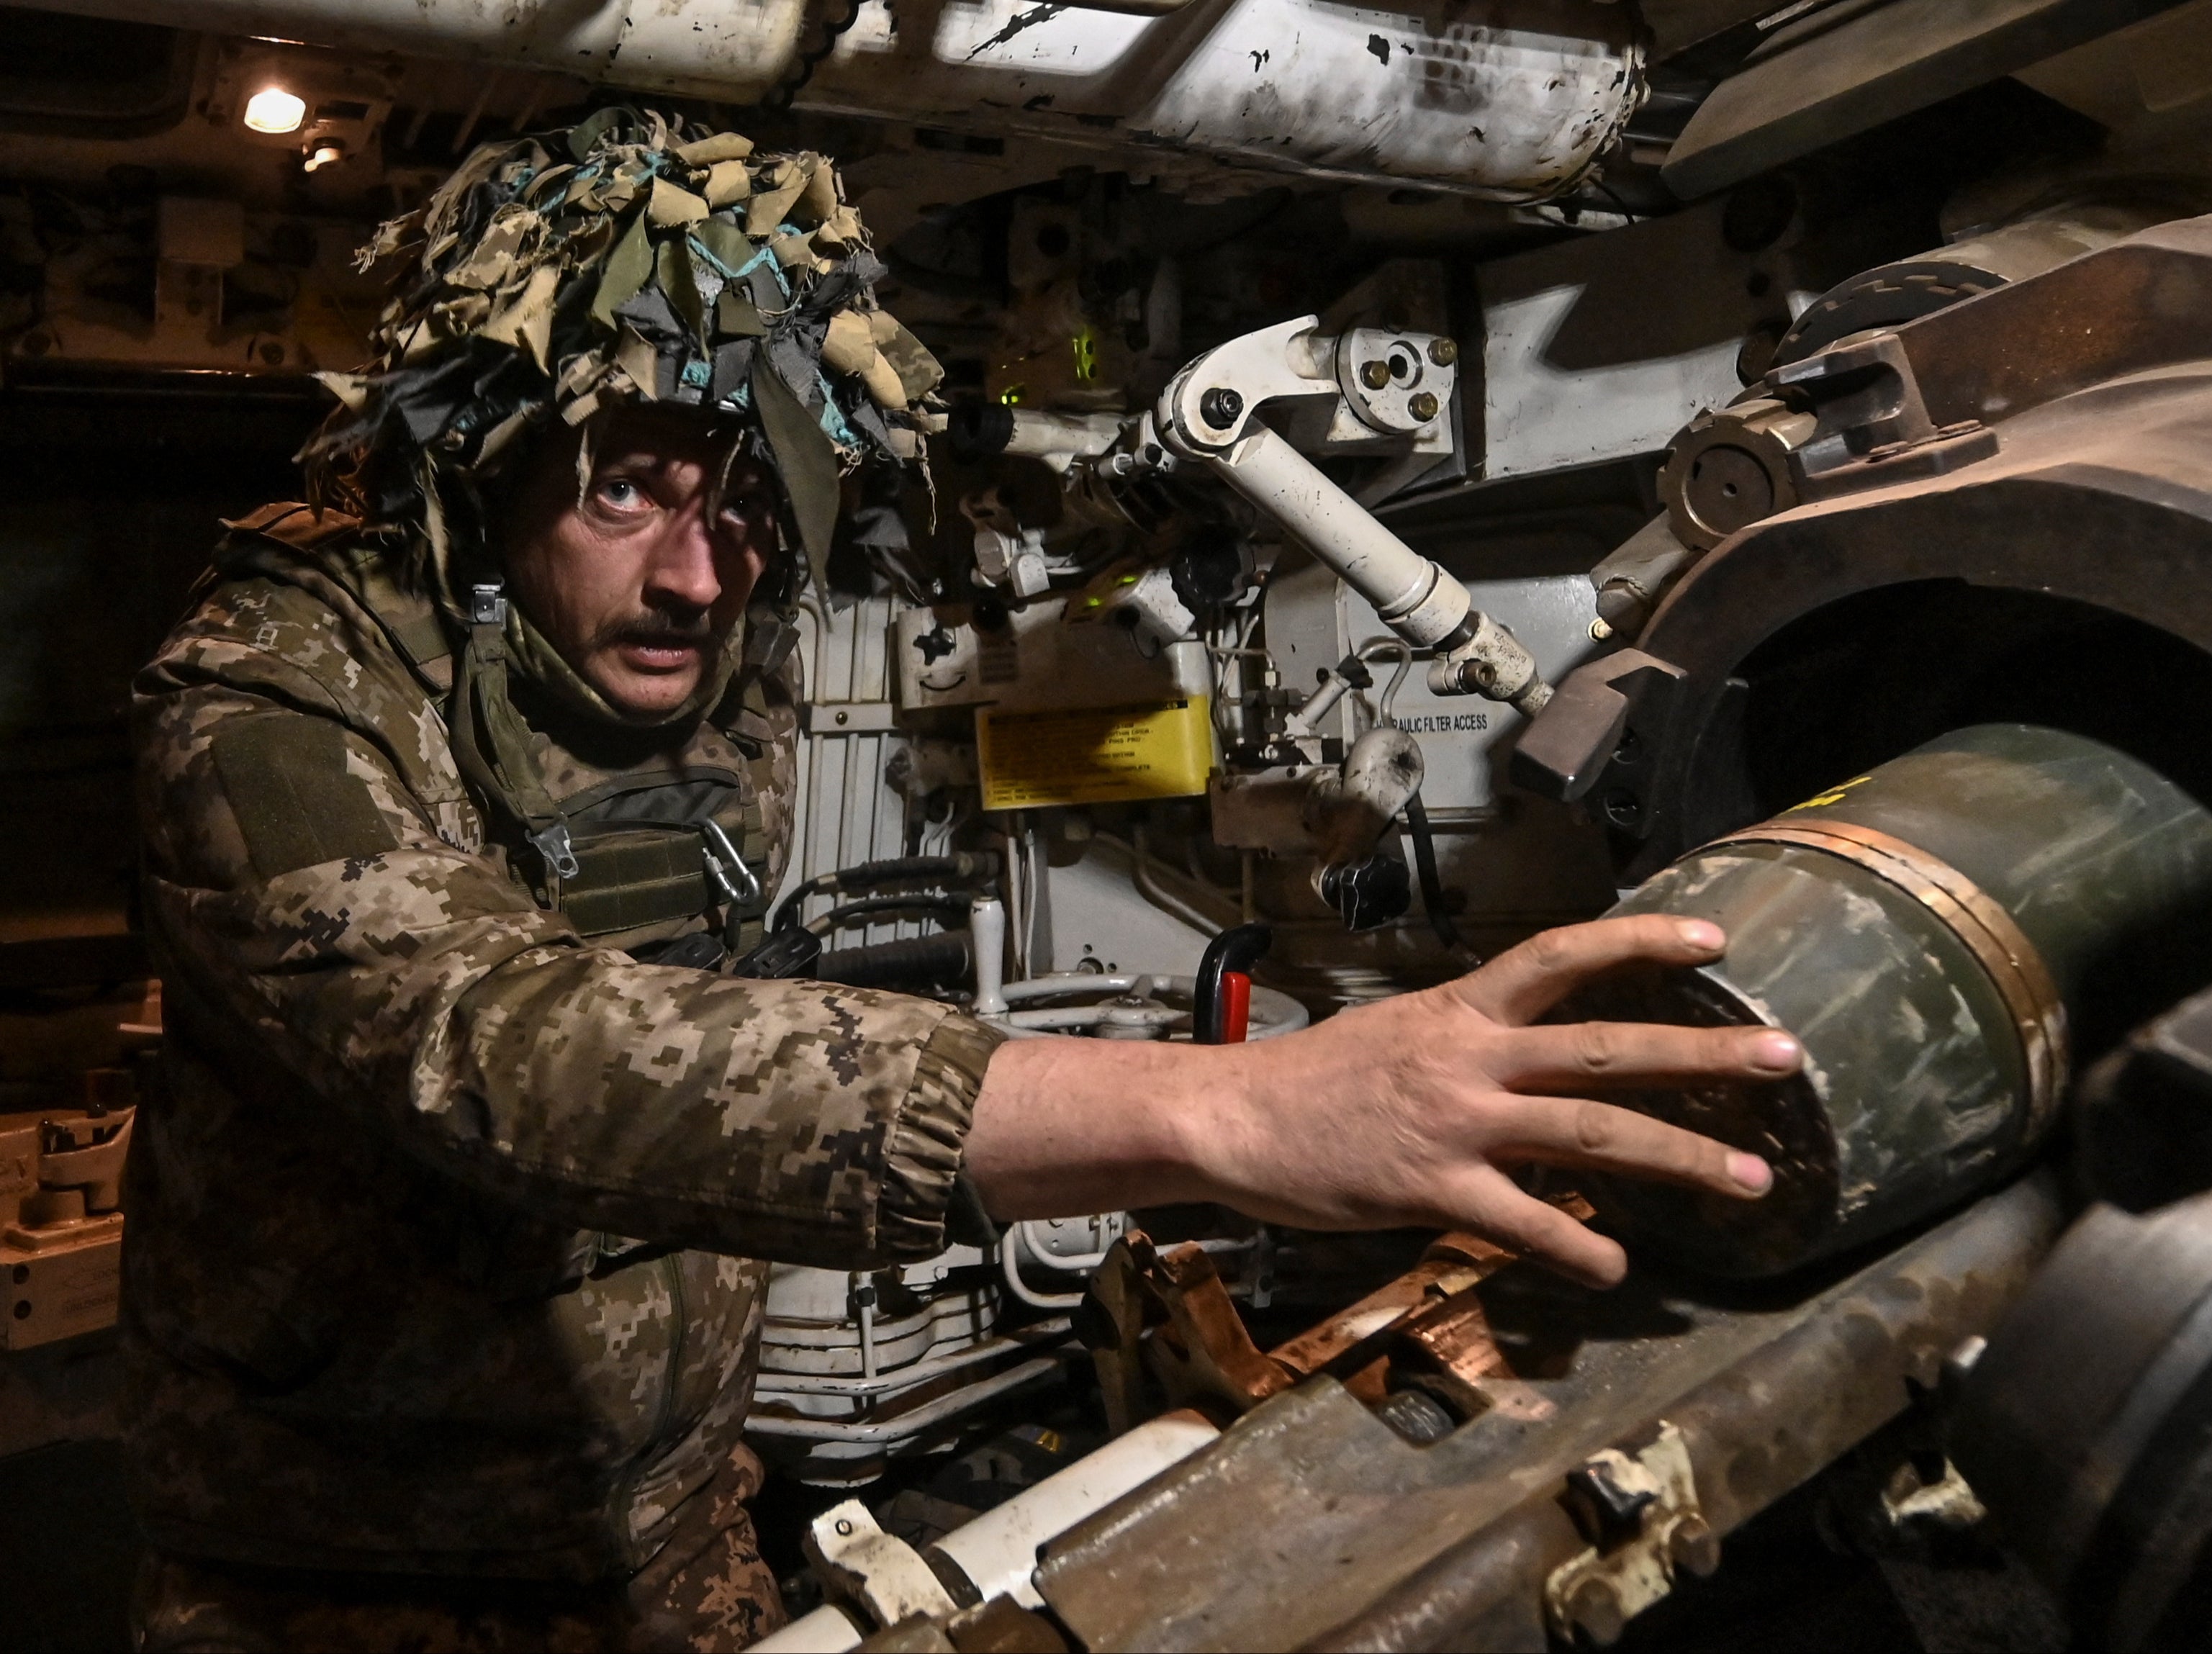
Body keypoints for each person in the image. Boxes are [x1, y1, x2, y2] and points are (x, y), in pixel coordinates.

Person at [123, 112, 1797, 1652]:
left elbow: (1029, 396)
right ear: (486, 474)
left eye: (748, 500)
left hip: (674, 1531)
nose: (701, 577)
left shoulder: (722, 639)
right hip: (339, 1573)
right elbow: (512, 1049)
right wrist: (1235, 1109)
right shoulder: (265, 693)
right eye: (625, 486)